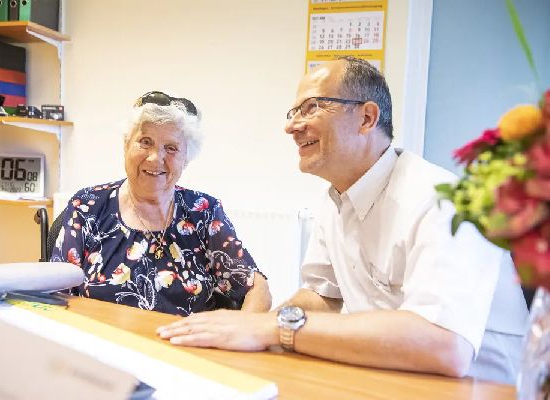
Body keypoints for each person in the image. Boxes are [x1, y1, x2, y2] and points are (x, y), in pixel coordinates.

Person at [156, 58, 529, 384]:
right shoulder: (334, 198)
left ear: (367, 118)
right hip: (390, 377)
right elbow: (322, 295)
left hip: (479, 388)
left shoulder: (439, 199)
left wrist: (274, 327)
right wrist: (252, 329)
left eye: (312, 108)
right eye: (293, 113)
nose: (292, 126)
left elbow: (444, 345)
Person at [51, 91, 271, 316]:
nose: (155, 158)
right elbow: (54, 292)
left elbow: (257, 289)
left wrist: (243, 329)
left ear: (186, 158)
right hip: (101, 336)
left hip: (181, 338)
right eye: (145, 142)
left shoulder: (204, 212)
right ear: (126, 145)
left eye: (171, 147)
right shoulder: (88, 206)